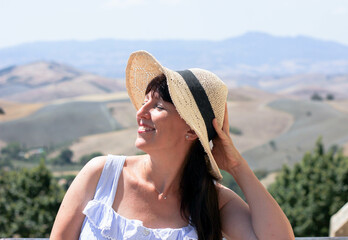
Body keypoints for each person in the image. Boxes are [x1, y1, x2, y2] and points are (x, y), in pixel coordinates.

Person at [50, 50, 295, 240]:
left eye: (157, 107)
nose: (140, 112)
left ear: (191, 130)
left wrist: (236, 165)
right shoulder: (100, 175)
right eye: (144, 102)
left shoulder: (214, 200)